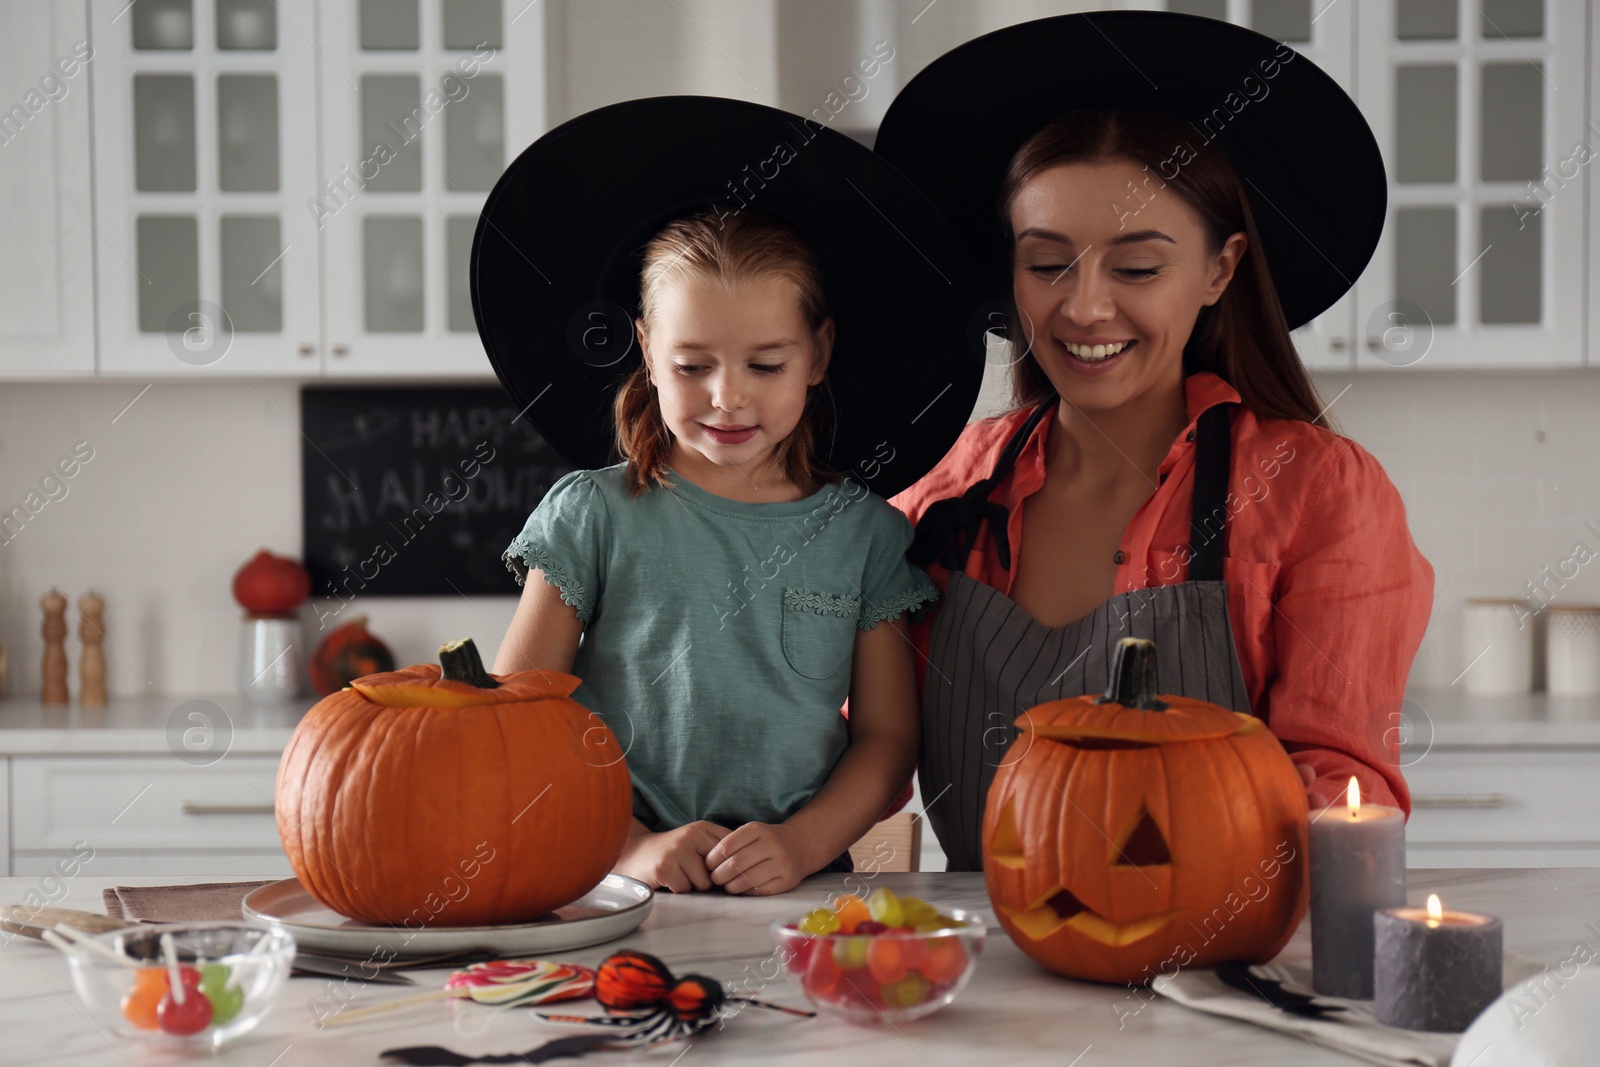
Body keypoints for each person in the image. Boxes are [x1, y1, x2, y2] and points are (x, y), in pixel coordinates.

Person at [873, 13, 1434, 870]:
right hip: (982, 976)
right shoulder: (944, 489)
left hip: (1210, 968)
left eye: (1137, 267)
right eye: (1046, 262)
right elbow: (846, 742)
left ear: (1220, 269)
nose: (1085, 306)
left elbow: (1341, 787)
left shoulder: (1318, 490)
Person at [471, 98, 984, 893]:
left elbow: (886, 739)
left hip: (802, 888)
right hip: (609, 881)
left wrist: (803, 844)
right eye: (692, 364)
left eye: (766, 364)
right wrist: (629, 845)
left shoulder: (866, 538)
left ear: (818, 354)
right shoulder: (592, 515)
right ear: (646, 349)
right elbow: (518, 723)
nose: (727, 398)